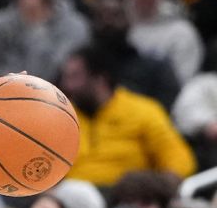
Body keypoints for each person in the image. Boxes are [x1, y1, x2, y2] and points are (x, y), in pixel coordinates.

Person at [59, 46, 196, 188]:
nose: (66, 85)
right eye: (66, 77)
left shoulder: (143, 111)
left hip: (124, 195)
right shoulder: (61, 116)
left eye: (74, 77)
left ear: (100, 79)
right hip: (67, 196)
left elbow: (178, 158)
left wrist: (159, 187)